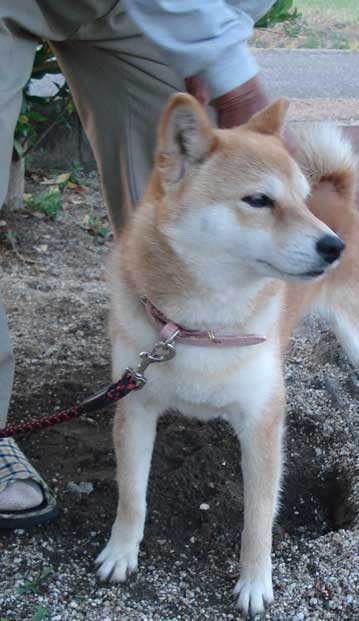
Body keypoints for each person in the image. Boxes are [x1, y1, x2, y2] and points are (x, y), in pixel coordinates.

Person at [0, 0, 276, 529]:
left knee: (188, 184)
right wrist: (233, 77)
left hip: (136, 6)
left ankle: (190, 368)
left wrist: (208, 48)